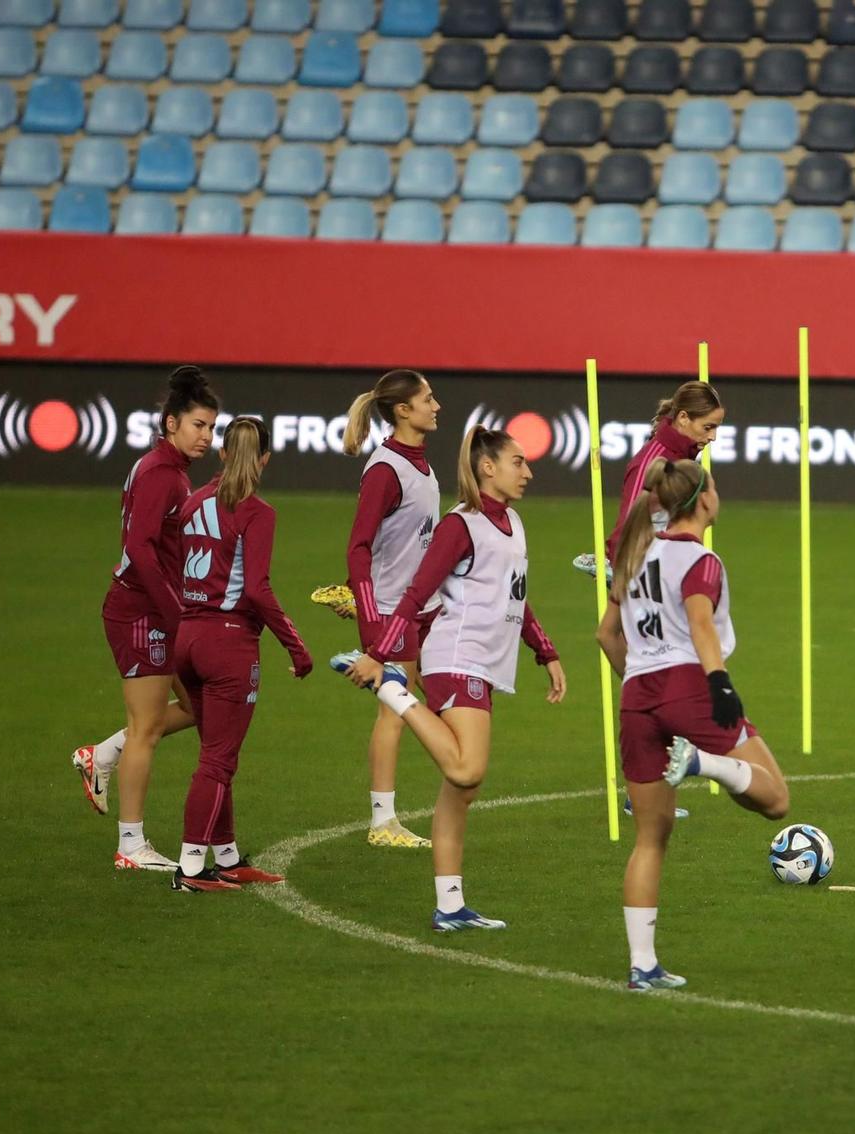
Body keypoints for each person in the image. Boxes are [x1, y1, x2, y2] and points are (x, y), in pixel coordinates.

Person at [333, 426, 567, 932]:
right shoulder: (461, 526)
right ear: (488, 468)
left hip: (484, 661)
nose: (528, 471)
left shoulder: (514, 523)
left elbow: (516, 598)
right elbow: (417, 593)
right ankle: (394, 691)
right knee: (466, 771)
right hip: (455, 656)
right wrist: (379, 656)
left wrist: (544, 651)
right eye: (518, 462)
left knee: (459, 791)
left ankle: (450, 905)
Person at [597, 458, 791, 991]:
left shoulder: (634, 555)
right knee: (776, 800)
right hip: (689, 686)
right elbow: (701, 621)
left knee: (651, 837)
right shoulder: (702, 559)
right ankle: (703, 762)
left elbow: (606, 636)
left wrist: (640, 686)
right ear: (703, 500)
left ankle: (642, 966)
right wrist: (718, 682)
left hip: (637, 696)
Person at [73, 365, 219, 870]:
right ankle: (131, 847)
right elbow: (138, 548)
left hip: (154, 609)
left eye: (211, 428)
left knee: (199, 707)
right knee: (147, 728)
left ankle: (102, 756)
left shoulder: (165, 469)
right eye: (199, 425)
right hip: (142, 612)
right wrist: (175, 616)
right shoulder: (162, 474)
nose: (207, 437)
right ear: (172, 422)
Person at [168, 417, 313, 891]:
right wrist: (296, 645)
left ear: (223, 453)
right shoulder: (257, 512)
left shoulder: (192, 502)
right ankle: (190, 868)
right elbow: (257, 589)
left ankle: (226, 857)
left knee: (215, 755)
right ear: (265, 459)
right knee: (217, 763)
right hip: (228, 645)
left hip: (185, 638)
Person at [329, 370, 445, 851]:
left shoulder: (418, 464)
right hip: (395, 611)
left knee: (423, 703)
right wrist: (369, 615)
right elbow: (358, 547)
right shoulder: (385, 469)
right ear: (403, 410)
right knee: (394, 713)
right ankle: (382, 822)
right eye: (428, 399)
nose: (436, 406)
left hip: (423, 608)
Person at [573, 380, 726, 579]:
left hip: (673, 571)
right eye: (708, 427)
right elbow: (631, 520)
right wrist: (621, 568)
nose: (713, 436)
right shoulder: (652, 462)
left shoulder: (684, 458)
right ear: (683, 418)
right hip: (648, 579)